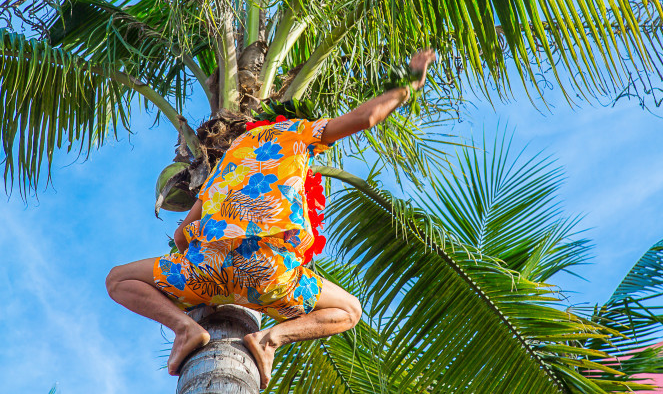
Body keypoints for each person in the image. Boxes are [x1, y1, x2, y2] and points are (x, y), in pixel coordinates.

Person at [106, 49, 436, 389]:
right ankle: (270, 340)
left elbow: (180, 236)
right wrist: (408, 82)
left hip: (207, 270)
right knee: (349, 311)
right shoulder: (297, 132)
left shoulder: (222, 167)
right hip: (268, 273)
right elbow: (366, 118)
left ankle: (185, 328)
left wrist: (201, 260)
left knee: (118, 279)